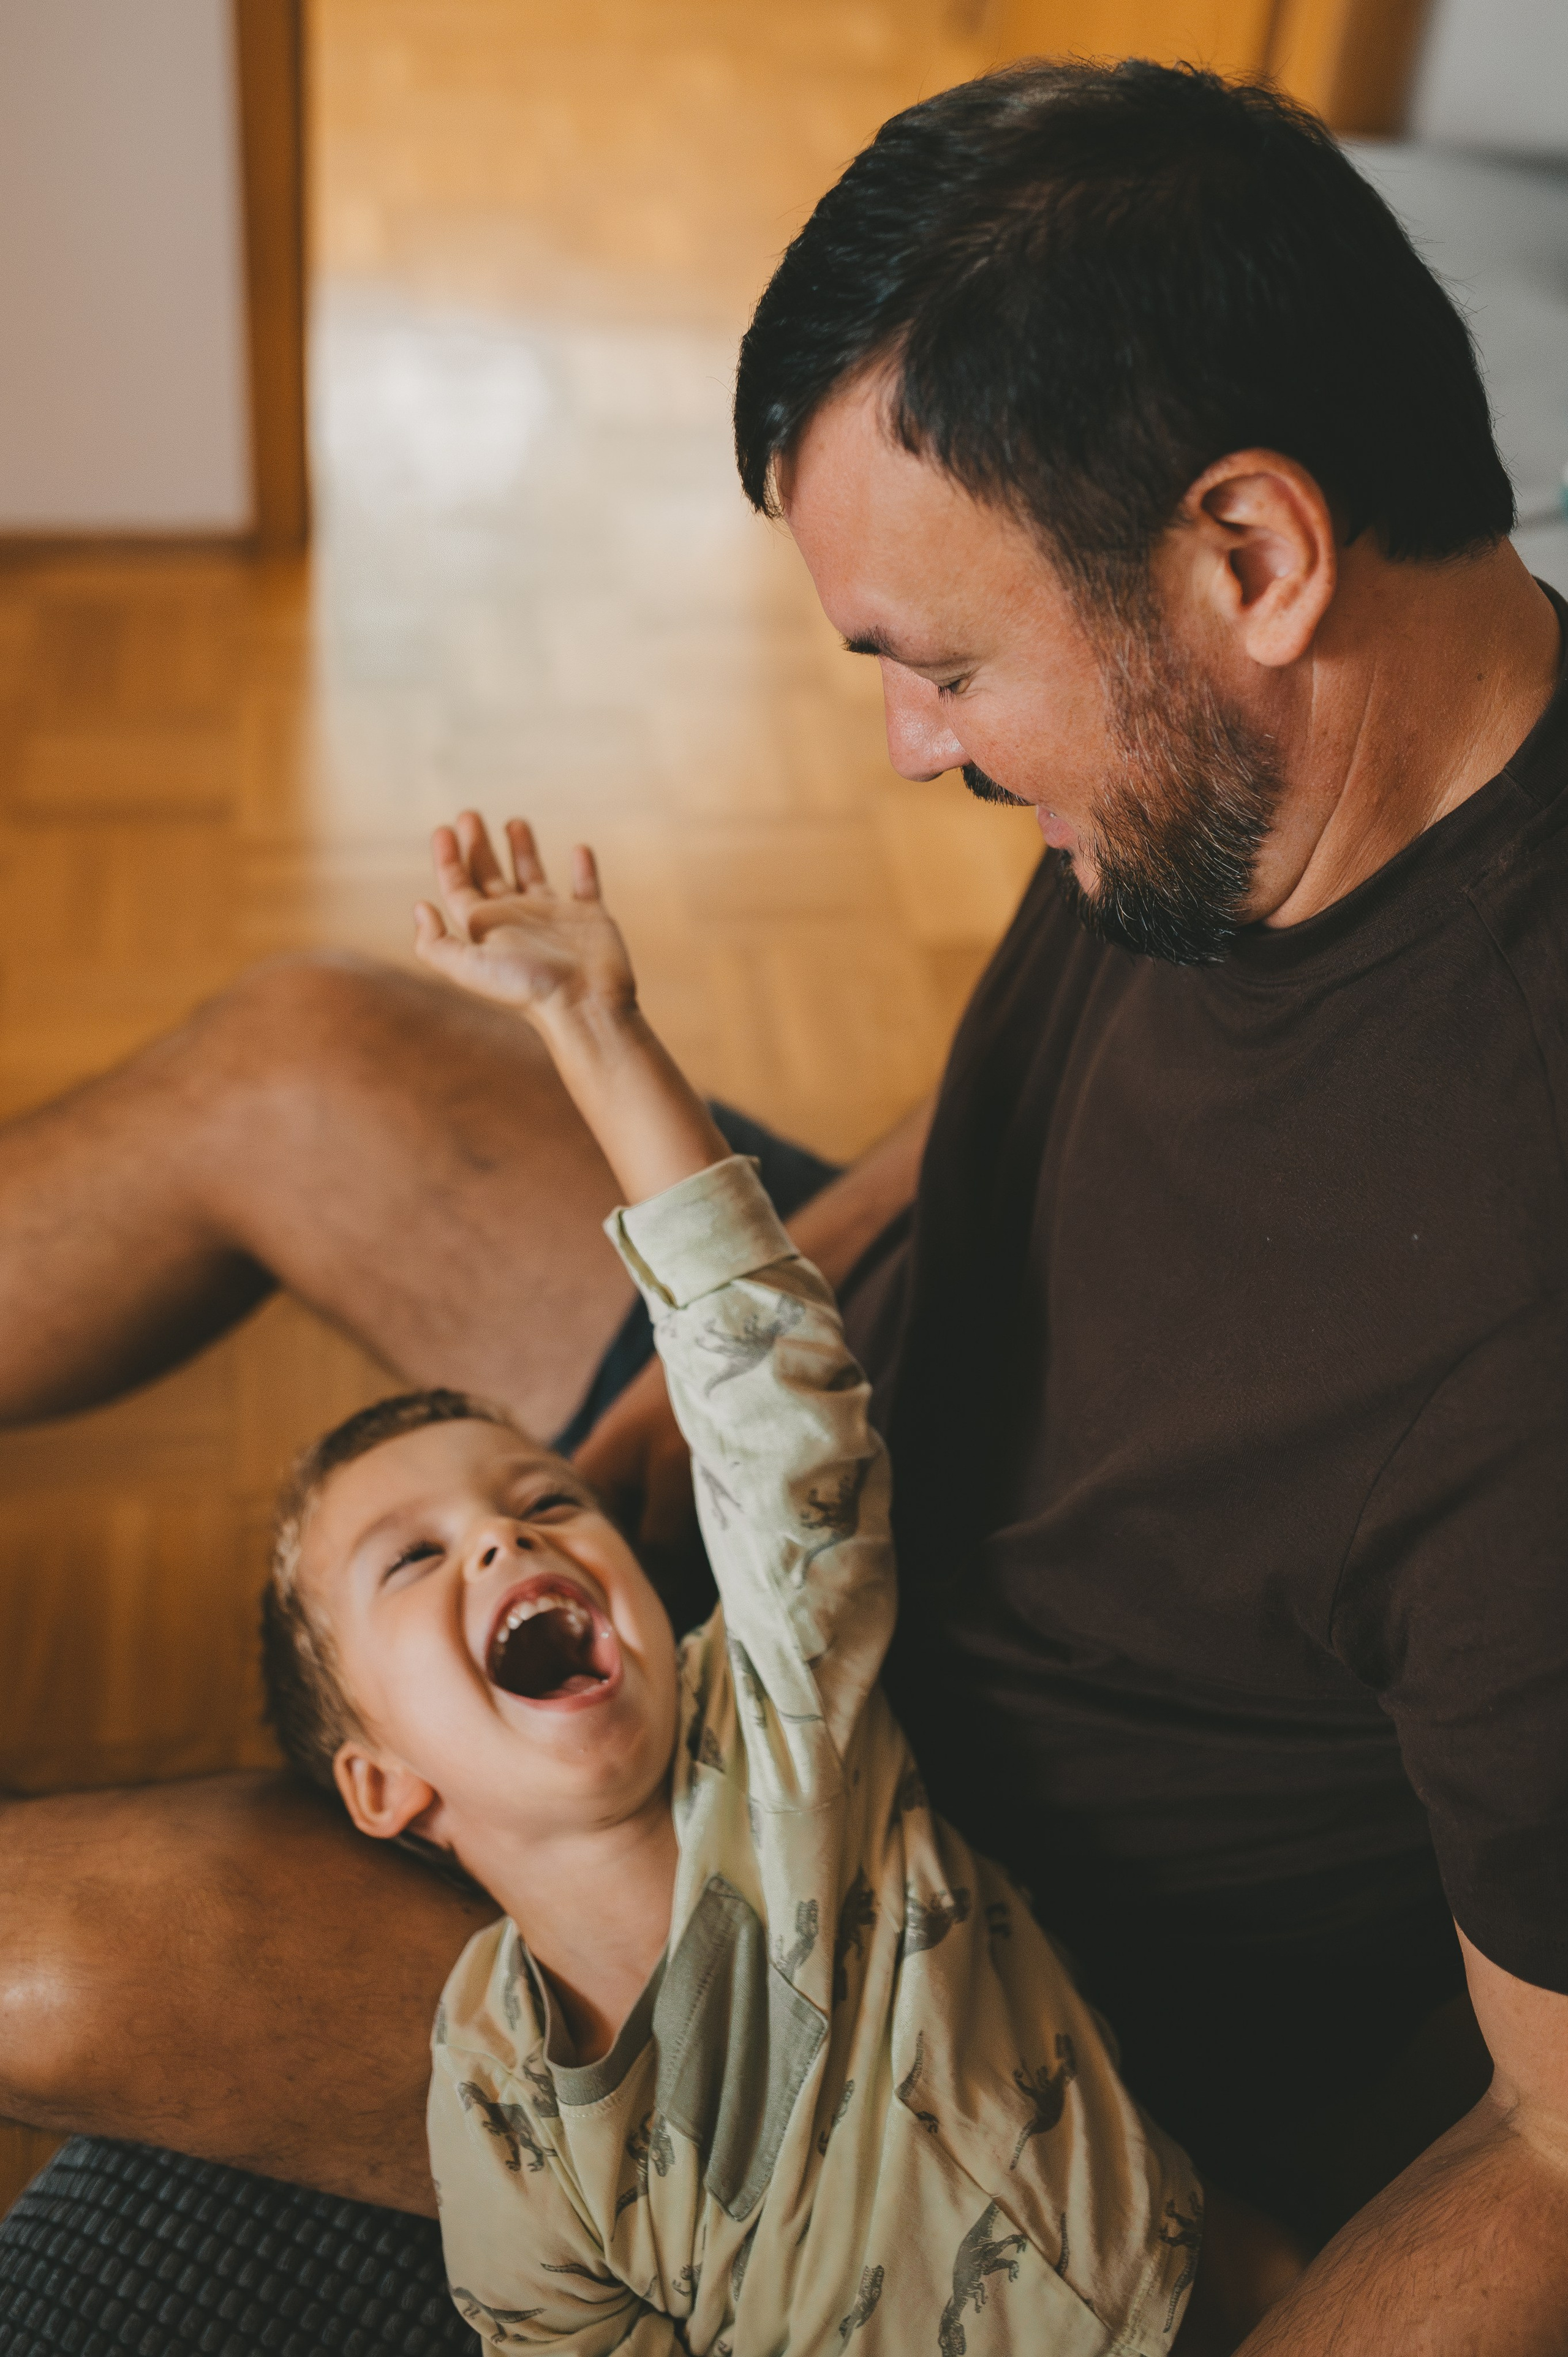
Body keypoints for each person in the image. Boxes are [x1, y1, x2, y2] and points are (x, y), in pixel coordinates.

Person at [2, 53, 1567, 2354]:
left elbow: (1554, 2138)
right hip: (811, 1460)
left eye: (948, 669)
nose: (915, 749)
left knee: (38, 1958)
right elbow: (1013, 1103)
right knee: (304, 1061)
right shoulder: (1254, 773)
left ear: (1255, 554)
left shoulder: (1521, 1315)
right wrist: (680, 1389)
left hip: (906, 1928)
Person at [260, 811, 1212, 2353]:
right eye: (416, 1558)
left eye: (544, 1501)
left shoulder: (776, 1705)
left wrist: (595, 1026)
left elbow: (769, 1384)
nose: (503, 1540)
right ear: (385, 1783)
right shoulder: (500, 2102)